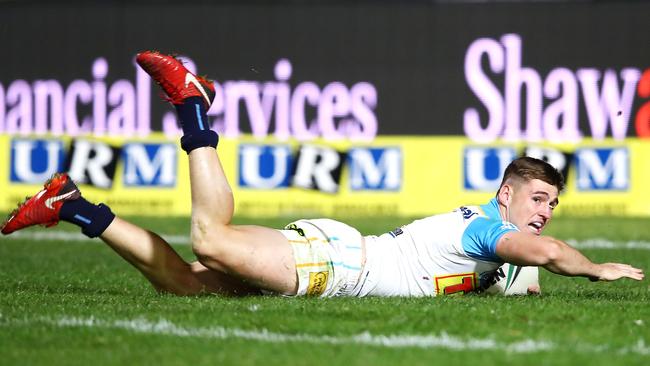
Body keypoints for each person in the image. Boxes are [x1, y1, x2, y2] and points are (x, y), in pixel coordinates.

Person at [1, 51, 643, 297]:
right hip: (338, 265)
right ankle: (193, 104)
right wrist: (593, 266)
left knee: (186, 286)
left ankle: (72, 206)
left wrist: (528, 285)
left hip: (338, 264)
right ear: (505, 193)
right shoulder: (485, 231)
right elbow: (545, 252)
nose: (544, 211)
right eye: (537, 197)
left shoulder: (503, 259)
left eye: (552, 203)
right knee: (210, 240)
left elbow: (524, 272)